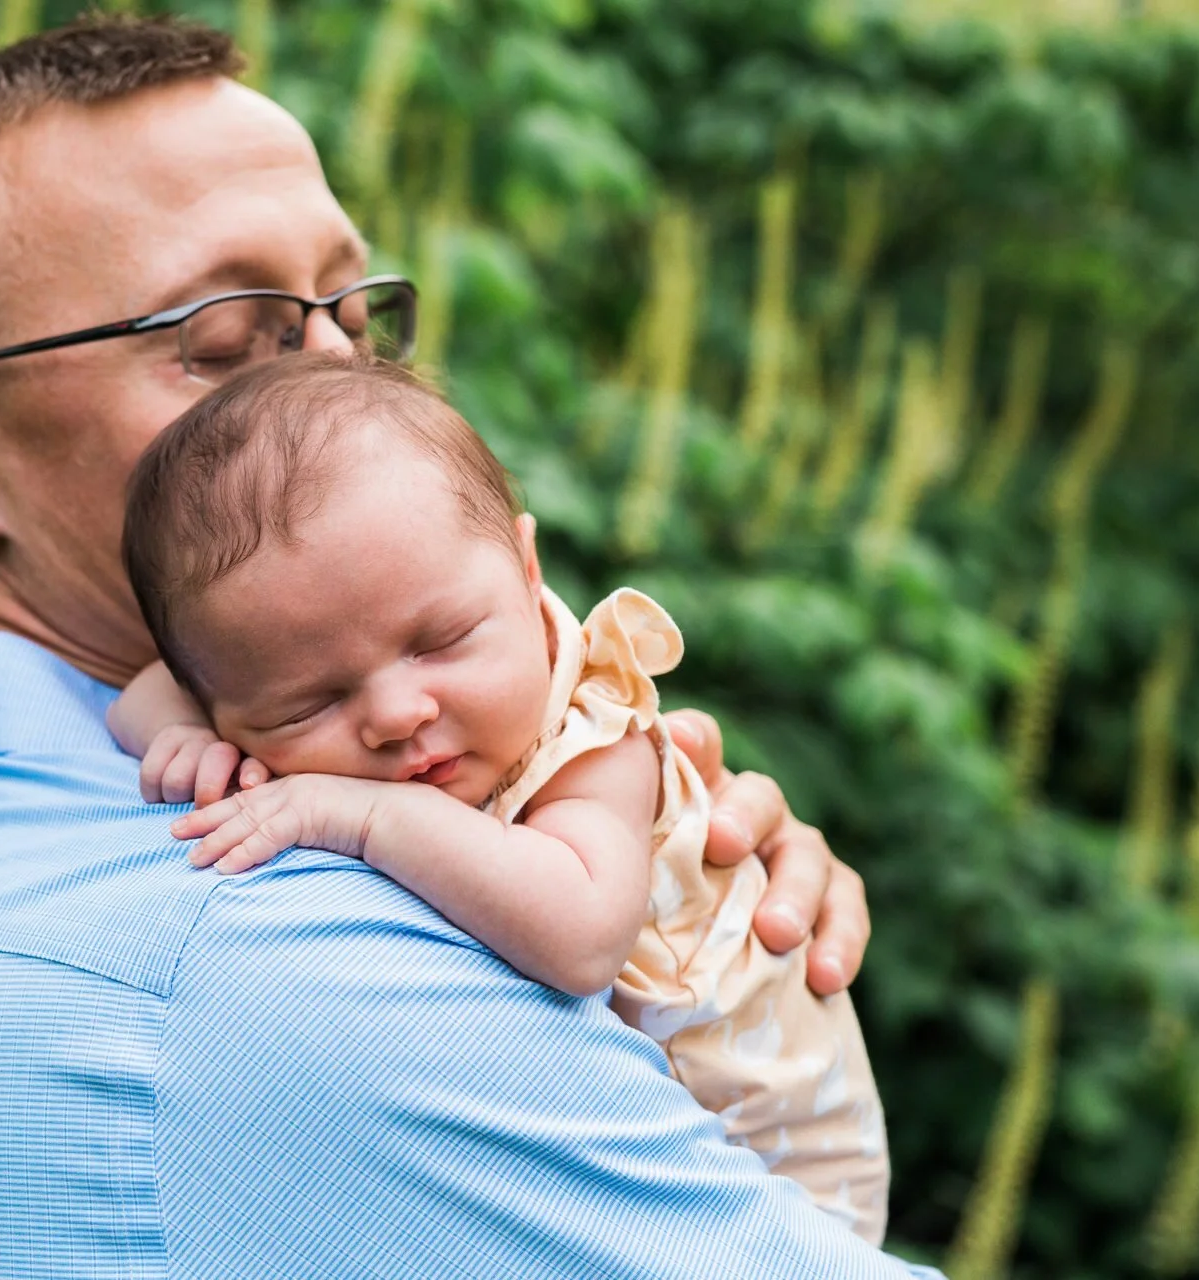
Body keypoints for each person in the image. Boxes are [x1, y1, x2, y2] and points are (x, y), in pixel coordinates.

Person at [0, 13, 930, 1277]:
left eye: (357, 313)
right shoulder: (278, 947)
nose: (342, 382)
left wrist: (702, 942)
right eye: (227, 335)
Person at [109, 351, 892, 1242]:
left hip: (782, 1168)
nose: (399, 715)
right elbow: (144, 693)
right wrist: (185, 737)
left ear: (526, 570)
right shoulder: (279, 693)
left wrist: (369, 815)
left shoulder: (594, 737)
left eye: (439, 640)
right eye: (312, 701)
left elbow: (581, 935)